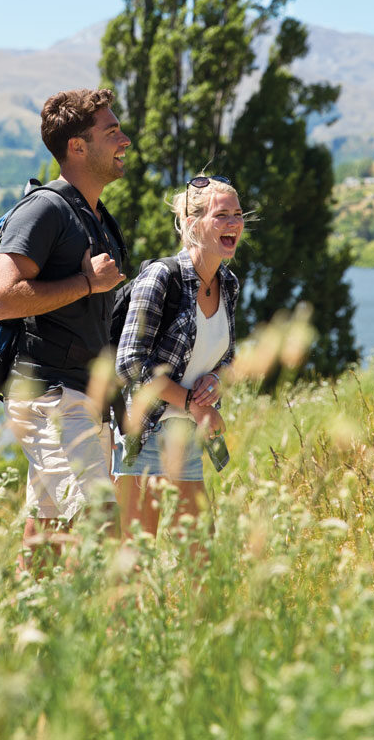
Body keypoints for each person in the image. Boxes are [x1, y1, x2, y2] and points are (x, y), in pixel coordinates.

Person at [0, 88, 130, 563]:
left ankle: (32, 623)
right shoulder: (44, 209)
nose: (124, 139)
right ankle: (106, 629)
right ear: (77, 146)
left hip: (81, 398)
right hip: (51, 395)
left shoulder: (95, 216)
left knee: (46, 522)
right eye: (111, 131)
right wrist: (87, 284)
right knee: (100, 518)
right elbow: (2, 299)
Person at [113, 175, 244, 538]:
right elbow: (130, 364)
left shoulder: (229, 285)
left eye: (237, 214)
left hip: (186, 439)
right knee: (131, 560)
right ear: (191, 223)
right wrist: (193, 404)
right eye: (222, 215)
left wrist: (216, 381)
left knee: (201, 558)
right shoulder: (160, 277)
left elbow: (229, 356)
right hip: (144, 436)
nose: (234, 222)